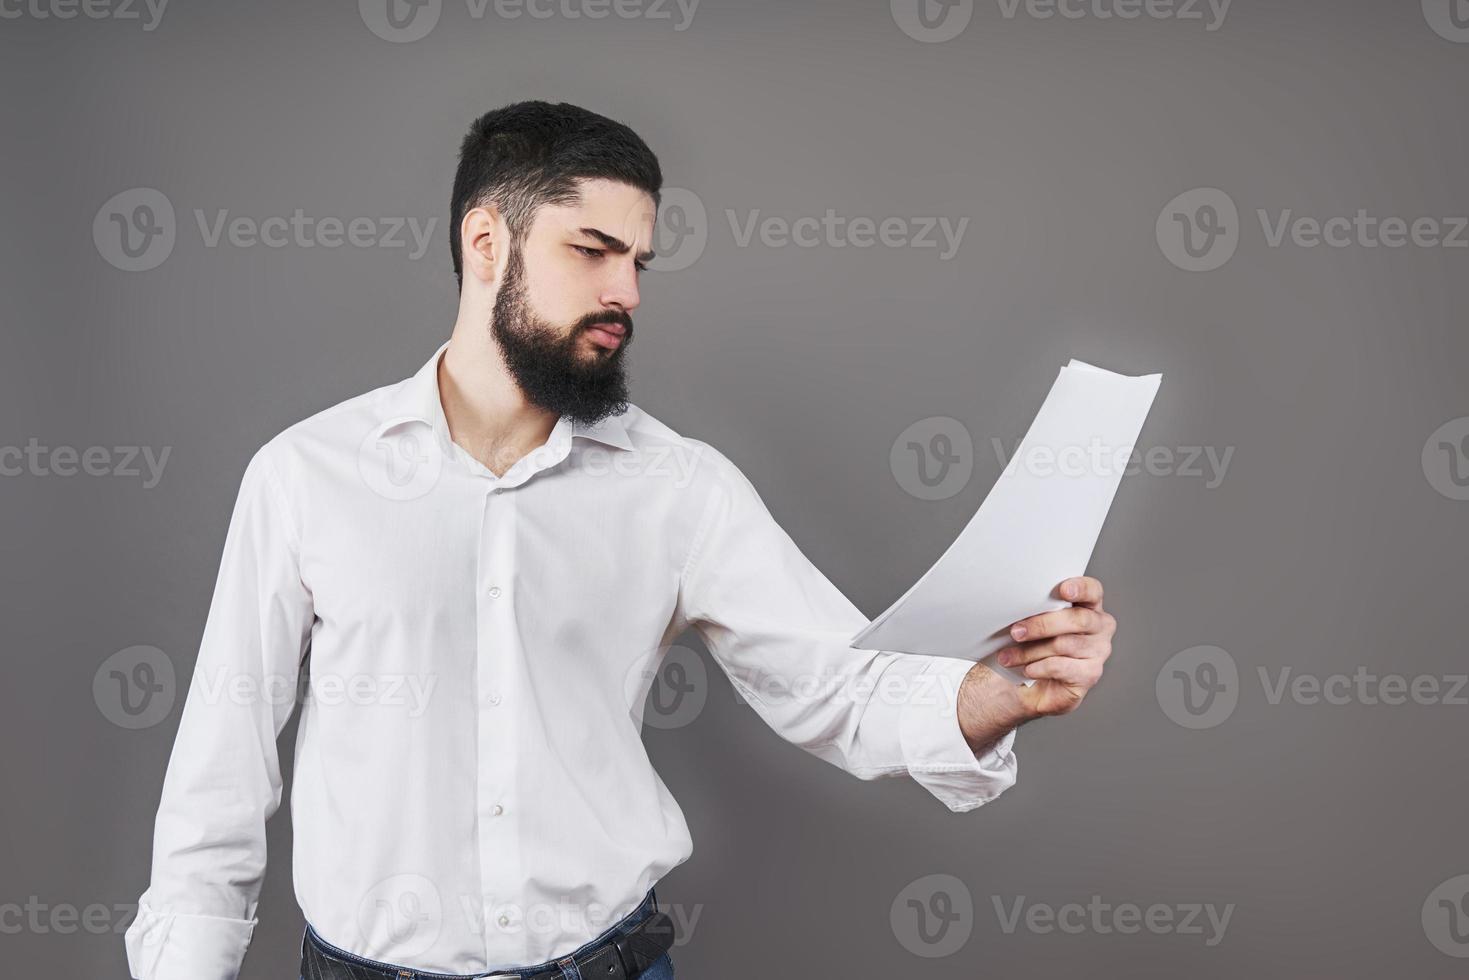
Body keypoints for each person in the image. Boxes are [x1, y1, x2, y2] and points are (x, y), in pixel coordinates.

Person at [123, 100, 1118, 980]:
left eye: (637, 261)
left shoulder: (677, 487)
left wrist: (999, 694)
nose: (626, 293)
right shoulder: (307, 475)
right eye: (590, 250)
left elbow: (840, 687)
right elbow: (220, 773)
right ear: (484, 243)